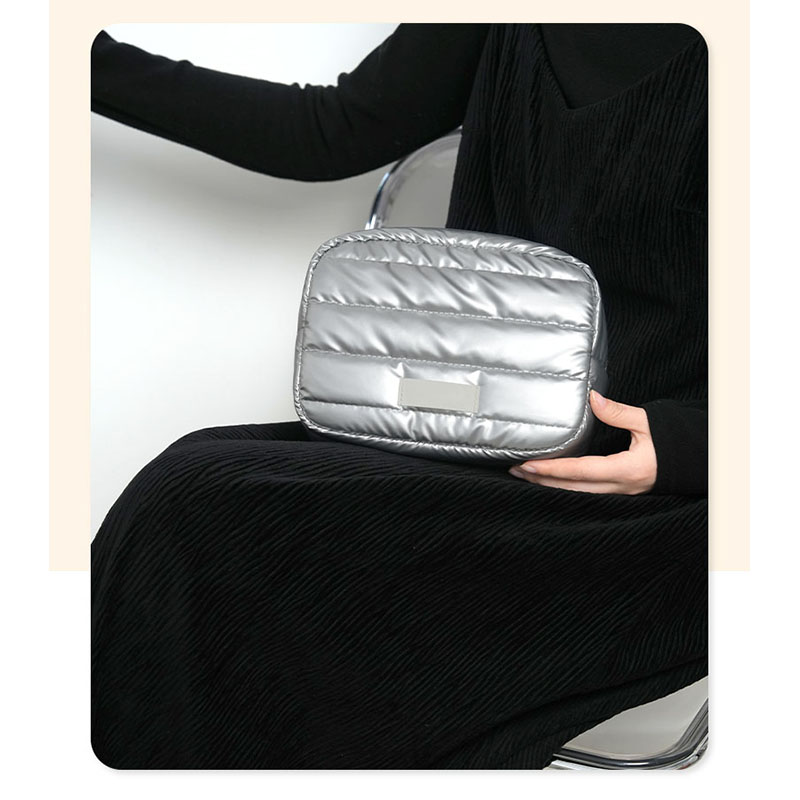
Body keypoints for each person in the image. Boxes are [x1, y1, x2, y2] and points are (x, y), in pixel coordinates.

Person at [91, 23, 708, 769]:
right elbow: (331, 130)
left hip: (676, 496)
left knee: (205, 517)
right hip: (482, 437)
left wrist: (696, 448)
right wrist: (76, 56)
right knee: (190, 489)